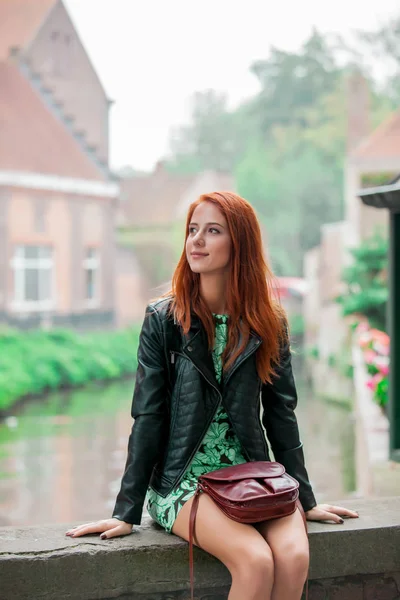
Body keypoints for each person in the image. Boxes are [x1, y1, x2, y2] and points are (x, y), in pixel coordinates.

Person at [66, 192, 358, 600]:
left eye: (213, 231)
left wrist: (306, 500)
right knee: (255, 562)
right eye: (192, 230)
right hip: (184, 482)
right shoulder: (164, 321)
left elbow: (281, 414)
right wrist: (125, 512)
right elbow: (147, 417)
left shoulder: (267, 322)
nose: (196, 241)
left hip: (256, 476)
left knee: (293, 557)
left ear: (239, 243)